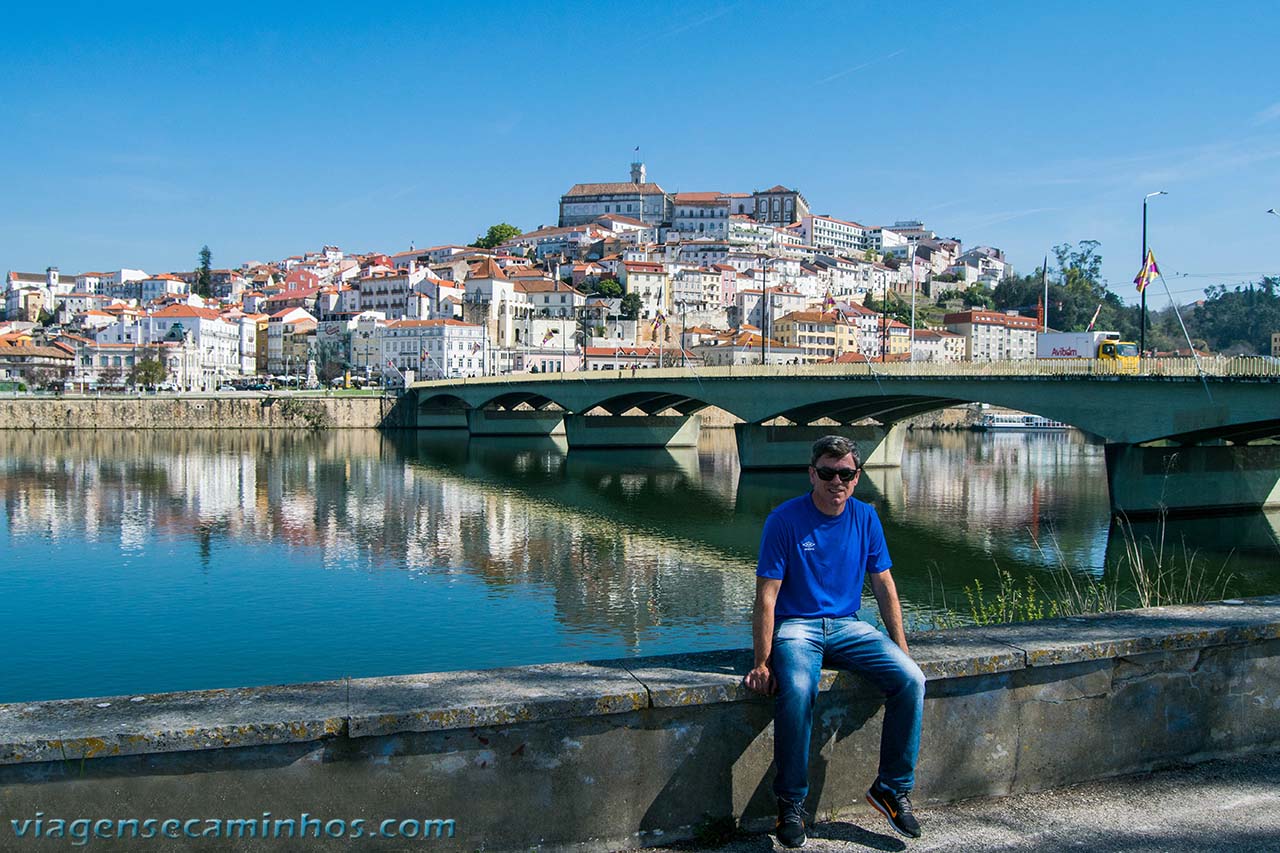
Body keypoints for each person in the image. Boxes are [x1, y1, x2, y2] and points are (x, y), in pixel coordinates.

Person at [744, 434, 925, 846]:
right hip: (797, 626)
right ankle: (790, 804)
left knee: (912, 680)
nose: (836, 481)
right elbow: (766, 597)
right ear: (812, 474)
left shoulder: (866, 518)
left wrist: (901, 648)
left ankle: (892, 789)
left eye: (845, 473)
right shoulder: (784, 520)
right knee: (799, 689)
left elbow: (884, 587)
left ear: (857, 477)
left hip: (847, 624)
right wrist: (761, 661)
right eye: (827, 472)